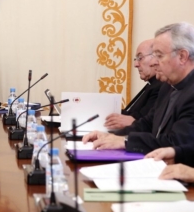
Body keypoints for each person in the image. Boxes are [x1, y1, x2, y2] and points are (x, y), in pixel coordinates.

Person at [83, 22, 194, 154]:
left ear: (182, 56)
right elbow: (146, 124)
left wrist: (125, 142)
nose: (153, 62)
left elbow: (176, 142)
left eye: (159, 55)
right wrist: (113, 136)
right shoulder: (167, 87)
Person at [104, 39, 162, 130]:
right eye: (136, 59)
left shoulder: (161, 86)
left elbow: (141, 121)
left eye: (140, 58)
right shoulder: (152, 84)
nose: (136, 64)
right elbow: (131, 117)